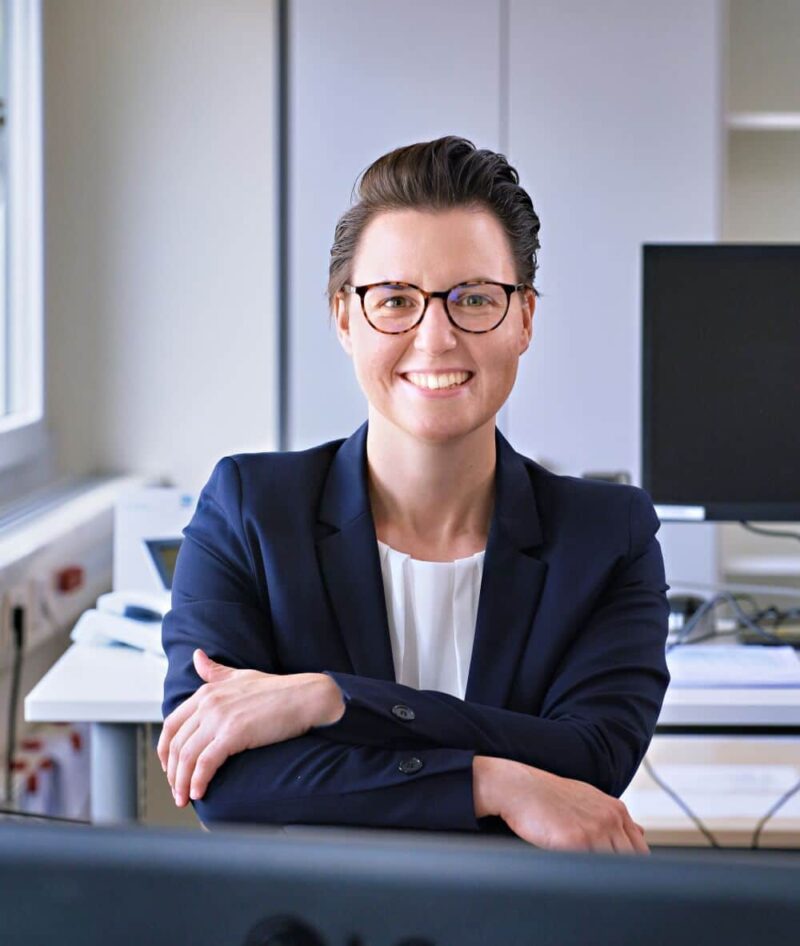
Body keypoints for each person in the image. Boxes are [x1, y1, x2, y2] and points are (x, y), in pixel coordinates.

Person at [158, 136, 670, 854]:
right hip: (320, 925)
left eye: (474, 299)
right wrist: (496, 781)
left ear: (524, 318)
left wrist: (330, 701)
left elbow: (592, 759)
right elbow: (224, 779)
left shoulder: (608, 535)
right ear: (344, 317)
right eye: (395, 299)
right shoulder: (248, 509)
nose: (436, 338)